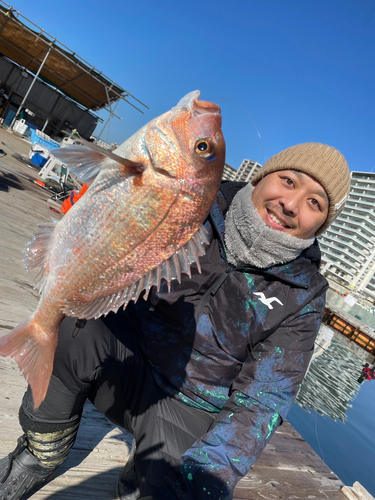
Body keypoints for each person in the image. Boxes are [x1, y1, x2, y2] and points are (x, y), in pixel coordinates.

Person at [0, 142, 351, 500]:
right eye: (288, 181)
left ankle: (142, 475)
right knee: (72, 325)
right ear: (260, 178)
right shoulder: (191, 201)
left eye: (315, 203)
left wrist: (202, 478)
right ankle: (41, 452)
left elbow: (264, 399)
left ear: (322, 224)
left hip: (190, 407)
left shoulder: (304, 294)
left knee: (185, 489)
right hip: (123, 361)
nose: (291, 204)